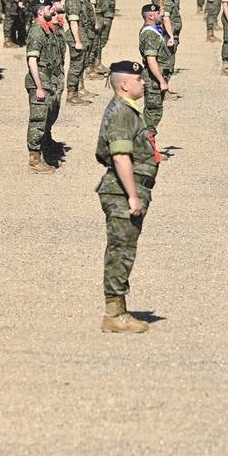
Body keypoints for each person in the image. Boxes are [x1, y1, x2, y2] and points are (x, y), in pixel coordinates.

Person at [95, 60, 159, 333]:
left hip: (128, 188)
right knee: (121, 251)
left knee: (124, 251)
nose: (143, 82)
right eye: (138, 79)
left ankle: (118, 309)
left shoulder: (128, 110)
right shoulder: (121, 111)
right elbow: (121, 156)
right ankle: (114, 314)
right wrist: (133, 195)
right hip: (121, 192)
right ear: (124, 84)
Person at [24, 0, 60, 173]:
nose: (52, 10)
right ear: (40, 12)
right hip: (40, 81)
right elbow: (32, 61)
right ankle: (34, 161)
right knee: (38, 121)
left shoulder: (46, 29)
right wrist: (38, 87)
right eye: (48, 8)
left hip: (47, 80)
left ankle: (43, 151)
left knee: (46, 117)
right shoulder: (37, 32)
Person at [138, 3, 172, 132]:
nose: (161, 15)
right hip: (153, 80)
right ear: (151, 16)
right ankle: (145, 147)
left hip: (155, 78)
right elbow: (151, 60)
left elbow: (168, 28)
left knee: (153, 113)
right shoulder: (149, 34)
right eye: (159, 13)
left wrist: (165, 16)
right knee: (153, 113)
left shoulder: (155, 30)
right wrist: (161, 81)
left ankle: (147, 146)